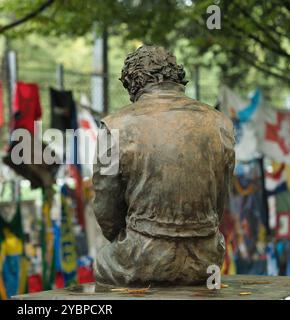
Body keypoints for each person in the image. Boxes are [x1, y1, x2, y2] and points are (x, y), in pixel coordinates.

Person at [93, 45, 235, 286]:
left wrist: (128, 239)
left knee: (101, 262)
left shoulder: (114, 126)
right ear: (177, 76)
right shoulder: (220, 122)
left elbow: (106, 209)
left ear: (132, 83)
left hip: (139, 260)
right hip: (206, 260)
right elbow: (220, 201)